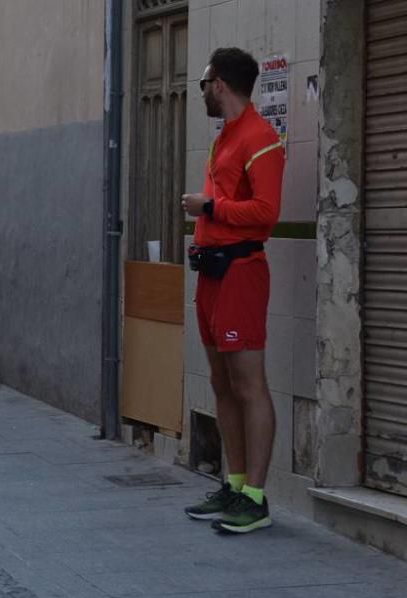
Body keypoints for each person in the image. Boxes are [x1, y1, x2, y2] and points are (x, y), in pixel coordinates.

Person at [181, 47, 285, 534]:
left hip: (241, 271)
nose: (201, 90)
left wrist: (209, 209)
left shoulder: (261, 138)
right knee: (222, 383)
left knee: (249, 384)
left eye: (204, 82)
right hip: (212, 273)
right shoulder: (225, 138)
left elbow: (266, 213)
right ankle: (236, 482)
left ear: (218, 82)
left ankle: (257, 499)